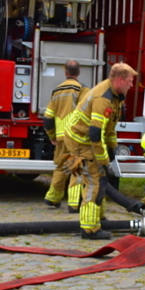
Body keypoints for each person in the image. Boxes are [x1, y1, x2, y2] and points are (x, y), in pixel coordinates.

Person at [65, 62, 137, 240]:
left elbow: (110, 129)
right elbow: (95, 134)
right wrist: (104, 161)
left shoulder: (115, 95)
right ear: (119, 80)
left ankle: (99, 218)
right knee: (94, 181)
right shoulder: (103, 98)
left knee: (101, 178)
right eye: (129, 81)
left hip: (89, 138)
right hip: (80, 139)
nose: (132, 85)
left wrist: (112, 153)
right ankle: (90, 229)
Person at [43, 60, 87, 212]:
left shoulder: (56, 91)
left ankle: (52, 198)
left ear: (65, 72)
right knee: (76, 167)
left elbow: (48, 117)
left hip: (61, 136)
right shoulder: (82, 90)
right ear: (78, 72)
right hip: (75, 136)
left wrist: (52, 136)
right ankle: (74, 204)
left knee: (61, 166)